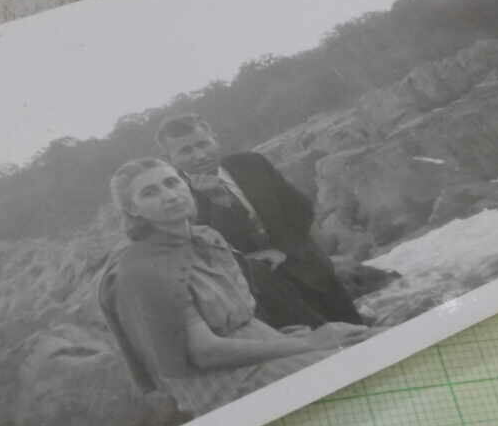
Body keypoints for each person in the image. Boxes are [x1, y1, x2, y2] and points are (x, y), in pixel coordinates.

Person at [98, 158, 370, 418]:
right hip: (220, 381)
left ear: (185, 184)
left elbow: (244, 318)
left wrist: (292, 340)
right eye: (150, 192)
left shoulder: (207, 238)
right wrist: (306, 344)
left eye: (172, 182)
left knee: (364, 341)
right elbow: (204, 353)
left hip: (258, 348)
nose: (169, 195)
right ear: (132, 209)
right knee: (357, 368)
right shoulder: (143, 271)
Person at [155, 114, 364, 327]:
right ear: (170, 158)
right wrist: (219, 205)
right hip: (258, 292)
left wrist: (300, 251)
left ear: (214, 139)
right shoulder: (175, 200)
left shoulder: (251, 163)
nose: (199, 155)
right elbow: (205, 255)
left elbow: (299, 209)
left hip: (306, 263)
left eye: (203, 144)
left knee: (357, 329)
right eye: (185, 151)